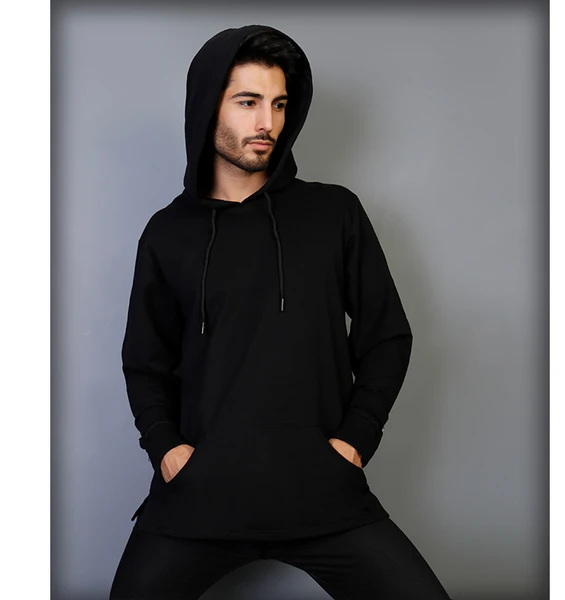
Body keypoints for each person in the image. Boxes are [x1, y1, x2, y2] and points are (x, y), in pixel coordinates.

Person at [110, 23, 452, 600]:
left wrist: (355, 440)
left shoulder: (334, 213)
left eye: (279, 104)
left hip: (322, 495)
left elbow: (387, 335)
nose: (268, 122)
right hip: (198, 499)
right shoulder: (168, 233)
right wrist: (166, 449)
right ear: (208, 106)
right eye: (248, 102)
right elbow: (145, 361)